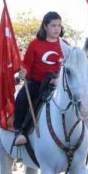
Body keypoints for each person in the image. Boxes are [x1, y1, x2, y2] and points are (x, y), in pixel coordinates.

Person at [12, 11, 65, 146]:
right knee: (22, 96)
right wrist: (23, 72)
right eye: (53, 25)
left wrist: (59, 79)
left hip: (57, 85)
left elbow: (68, 66)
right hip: (37, 83)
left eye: (59, 25)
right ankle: (19, 131)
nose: (56, 29)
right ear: (45, 26)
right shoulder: (35, 44)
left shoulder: (65, 45)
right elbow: (27, 64)